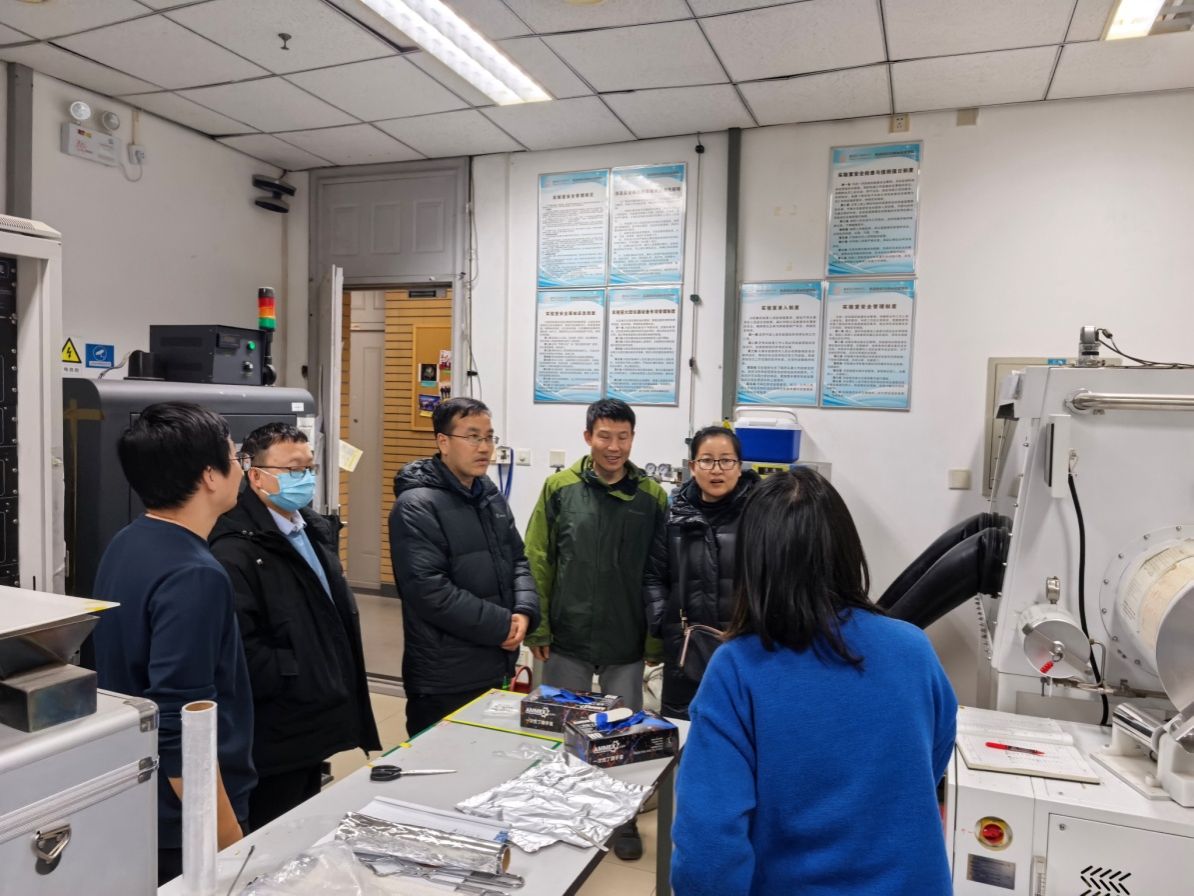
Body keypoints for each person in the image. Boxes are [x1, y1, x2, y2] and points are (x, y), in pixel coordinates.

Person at [671, 468, 957, 896]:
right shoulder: (913, 647)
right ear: (846, 550)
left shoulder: (738, 668)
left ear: (753, 560)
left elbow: (708, 850)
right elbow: (932, 757)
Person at [90, 402, 255, 886]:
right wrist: (227, 842)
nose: (241, 468)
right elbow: (182, 726)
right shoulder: (195, 575)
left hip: (139, 793)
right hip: (182, 818)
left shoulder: (129, 542)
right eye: (235, 456)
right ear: (210, 475)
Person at [209, 422, 381, 830]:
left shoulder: (309, 529)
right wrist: (299, 674)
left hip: (313, 717)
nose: (304, 478)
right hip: (276, 728)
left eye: (309, 468)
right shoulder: (235, 547)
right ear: (256, 476)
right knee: (274, 826)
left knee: (305, 820)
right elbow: (243, 648)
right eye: (292, 469)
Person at [524, 398, 668, 860]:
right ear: (588, 436)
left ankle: (623, 820)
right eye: (605, 436)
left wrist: (654, 639)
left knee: (622, 738)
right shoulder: (559, 488)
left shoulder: (652, 496)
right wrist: (539, 629)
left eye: (623, 437)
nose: (614, 446)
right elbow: (538, 559)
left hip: (626, 636)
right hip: (568, 635)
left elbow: (660, 572)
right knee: (565, 730)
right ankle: (563, 811)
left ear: (633, 438)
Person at [388, 397, 540, 738]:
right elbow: (430, 591)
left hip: (495, 663)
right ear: (443, 442)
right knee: (442, 765)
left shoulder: (488, 494)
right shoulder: (416, 506)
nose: (484, 447)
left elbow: (518, 559)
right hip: (445, 676)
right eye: (472, 437)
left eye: (489, 437)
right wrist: (503, 625)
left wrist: (524, 611)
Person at [643, 425, 759, 720]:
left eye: (726, 460)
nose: (716, 469)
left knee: (738, 730)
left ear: (739, 466)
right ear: (693, 467)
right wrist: (663, 622)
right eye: (707, 460)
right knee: (684, 732)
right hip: (684, 652)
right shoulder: (674, 517)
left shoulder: (760, 516)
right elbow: (654, 576)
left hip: (744, 651)